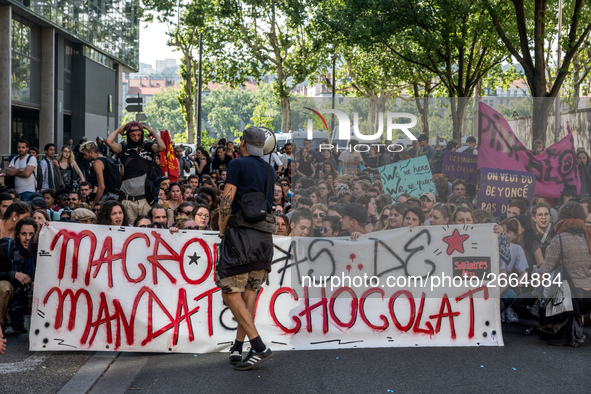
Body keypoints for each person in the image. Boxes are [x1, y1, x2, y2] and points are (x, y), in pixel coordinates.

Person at [216, 126, 275, 371]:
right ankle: (238, 347)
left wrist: (222, 229)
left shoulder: (237, 164)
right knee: (248, 294)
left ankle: (259, 346)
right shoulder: (270, 169)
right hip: (264, 240)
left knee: (230, 293)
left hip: (241, 237)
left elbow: (227, 200)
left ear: (242, 143)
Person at [537, 201, 591, 346]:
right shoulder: (588, 235)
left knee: (522, 303)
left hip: (570, 296)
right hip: (588, 295)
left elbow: (545, 270)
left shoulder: (560, 239)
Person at [106, 122, 166, 223]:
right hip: (127, 200)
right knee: (129, 228)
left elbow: (162, 147)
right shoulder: (123, 148)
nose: (136, 138)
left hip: (145, 199)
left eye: (139, 135)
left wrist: (152, 132)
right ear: (128, 135)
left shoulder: (149, 147)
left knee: (146, 227)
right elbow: (108, 141)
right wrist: (119, 130)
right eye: (133, 135)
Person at [0, 218, 37, 334]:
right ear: (17, 234)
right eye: (23, 234)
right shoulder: (6, 248)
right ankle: (0, 325)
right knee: (4, 287)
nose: (27, 238)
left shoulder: (39, 251)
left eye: (31, 234)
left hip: (28, 292)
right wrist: (13, 274)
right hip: (10, 293)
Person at [80, 141, 119, 208]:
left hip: (108, 197)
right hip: (116, 194)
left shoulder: (97, 163)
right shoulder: (107, 158)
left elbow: (101, 187)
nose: (84, 157)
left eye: (85, 154)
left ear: (91, 153)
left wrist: (94, 204)